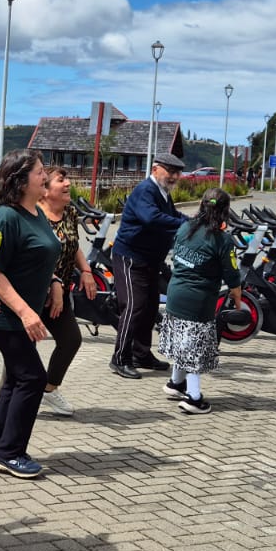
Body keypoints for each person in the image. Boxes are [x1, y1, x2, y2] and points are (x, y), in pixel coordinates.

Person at [0, 150, 59, 479]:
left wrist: (54, 282)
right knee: (33, 378)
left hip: (25, 313)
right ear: (20, 179)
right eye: (40, 172)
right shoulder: (6, 217)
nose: (46, 176)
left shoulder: (36, 212)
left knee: (15, 379)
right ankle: (9, 453)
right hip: (4, 315)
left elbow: (38, 257)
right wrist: (26, 313)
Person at [158, 189, 244, 415]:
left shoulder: (185, 227)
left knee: (182, 341)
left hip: (175, 295)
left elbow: (176, 257)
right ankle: (194, 398)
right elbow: (233, 277)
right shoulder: (223, 240)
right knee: (193, 348)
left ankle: (176, 383)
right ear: (225, 211)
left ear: (201, 205)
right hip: (198, 301)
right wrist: (238, 303)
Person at [108, 152, 187, 380]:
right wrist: (183, 224)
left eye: (177, 173)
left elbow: (171, 215)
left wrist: (192, 221)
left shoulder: (162, 193)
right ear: (155, 170)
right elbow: (151, 218)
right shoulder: (146, 190)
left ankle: (140, 355)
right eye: (169, 171)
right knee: (134, 307)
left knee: (150, 308)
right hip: (130, 258)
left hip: (150, 260)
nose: (173, 176)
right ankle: (119, 358)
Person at [37, 166, 96, 416]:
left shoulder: (70, 212)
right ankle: (13, 394)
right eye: (61, 180)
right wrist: (53, 284)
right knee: (23, 347)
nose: (68, 183)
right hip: (33, 291)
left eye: (67, 179)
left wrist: (86, 271)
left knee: (71, 339)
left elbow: (75, 245)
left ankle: (48, 391)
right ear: (44, 190)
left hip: (60, 293)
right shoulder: (34, 216)